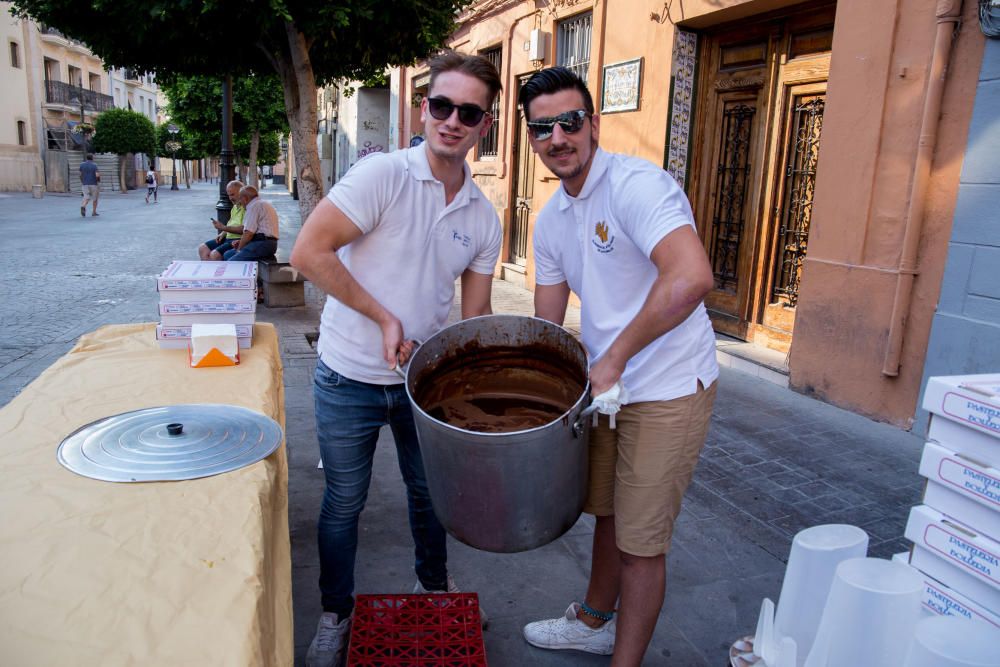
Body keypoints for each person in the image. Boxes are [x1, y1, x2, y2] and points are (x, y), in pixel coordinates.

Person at [289, 51, 502, 667]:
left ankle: (434, 590)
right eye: (442, 106)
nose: (452, 121)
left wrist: (474, 389)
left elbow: (475, 320)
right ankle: (336, 614)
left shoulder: (483, 219)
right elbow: (309, 252)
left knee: (428, 496)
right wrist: (385, 318)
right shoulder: (381, 175)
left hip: (421, 386)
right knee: (344, 502)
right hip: (347, 375)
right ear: (423, 108)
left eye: (468, 112)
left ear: (484, 124)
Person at [518, 67, 719, 666]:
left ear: (593, 124)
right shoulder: (550, 220)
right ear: (531, 139)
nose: (558, 137)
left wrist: (614, 359)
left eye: (570, 122)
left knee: (641, 543)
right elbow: (550, 330)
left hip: (668, 384)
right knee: (606, 511)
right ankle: (592, 620)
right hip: (606, 389)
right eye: (542, 128)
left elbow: (692, 277)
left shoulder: (638, 186)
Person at [224, 185, 279, 261]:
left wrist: (239, 249)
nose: (240, 201)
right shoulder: (263, 203)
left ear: (245, 198)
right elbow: (257, 231)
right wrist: (241, 242)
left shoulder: (253, 206)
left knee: (232, 263)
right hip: (267, 243)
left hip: (263, 244)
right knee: (227, 254)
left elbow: (248, 233)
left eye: (240, 198)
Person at [198, 180, 245, 261]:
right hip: (227, 237)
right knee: (202, 248)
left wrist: (223, 228)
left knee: (214, 255)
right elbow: (231, 222)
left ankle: (217, 272)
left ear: (241, 193)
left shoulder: (246, 207)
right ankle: (208, 272)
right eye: (229, 195)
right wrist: (223, 233)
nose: (230, 198)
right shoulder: (234, 207)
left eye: (233, 195)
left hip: (237, 240)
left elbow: (244, 229)